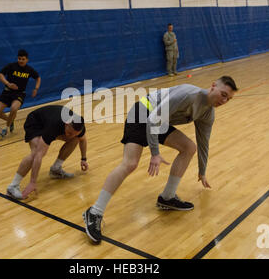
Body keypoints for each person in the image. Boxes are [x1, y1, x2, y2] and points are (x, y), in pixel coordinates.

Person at [83, 76, 238, 244]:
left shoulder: (208, 113)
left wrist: (202, 171)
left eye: (228, 99)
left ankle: (167, 197)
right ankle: (94, 211)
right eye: (223, 94)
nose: (224, 100)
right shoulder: (188, 94)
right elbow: (152, 119)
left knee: (189, 148)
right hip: (143, 113)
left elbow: (203, 142)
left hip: (158, 120)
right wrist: (155, 153)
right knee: (130, 164)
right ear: (213, 86)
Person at [6, 105, 89, 199]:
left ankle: (56, 169)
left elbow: (83, 140)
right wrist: (32, 182)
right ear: (66, 124)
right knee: (35, 153)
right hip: (35, 123)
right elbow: (38, 155)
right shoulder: (54, 125)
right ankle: (12, 187)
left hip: (50, 120)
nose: (70, 136)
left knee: (75, 139)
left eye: (74, 133)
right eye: (69, 133)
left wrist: (83, 159)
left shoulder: (79, 127)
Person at [0, 49, 41, 138]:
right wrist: (8, 84)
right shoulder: (11, 66)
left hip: (19, 94)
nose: (21, 61)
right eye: (19, 59)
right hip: (7, 92)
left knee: (14, 108)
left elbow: (38, 78)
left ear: (27, 60)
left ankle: (6, 128)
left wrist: (36, 88)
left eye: (23, 59)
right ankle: (10, 121)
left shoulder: (29, 70)